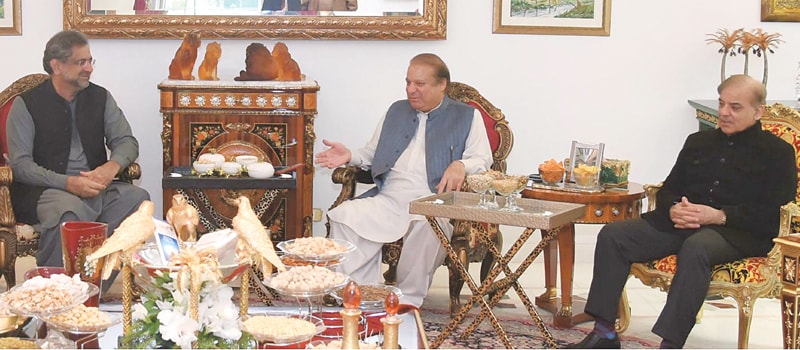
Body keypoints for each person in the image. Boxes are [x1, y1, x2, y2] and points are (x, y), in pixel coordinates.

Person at [569, 74, 797, 349]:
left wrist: (719, 215)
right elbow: (668, 189)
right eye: (722, 103)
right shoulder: (698, 141)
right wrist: (674, 207)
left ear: (757, 111)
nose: (724, 113)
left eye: (735, 107)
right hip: (682, 224)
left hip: (738, 232)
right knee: (614, 235)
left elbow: (773, 214)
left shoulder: (778, 153)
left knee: (698, 247)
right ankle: (605, 332)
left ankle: (670, 343)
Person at [315, 53, 493, 307]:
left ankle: (407, 301)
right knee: (345, 215)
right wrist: (350, 155)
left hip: (432, 200)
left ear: (442, 84)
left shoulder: (466, 116)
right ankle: (357, 295)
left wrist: (461, 165)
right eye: (408, 82)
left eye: (419, 84)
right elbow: (372, 153)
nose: (411, 90)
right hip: (389, 197)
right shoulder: (396, 110)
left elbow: (482, 159)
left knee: (427, 224)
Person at [6, 30, 150, 270]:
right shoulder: (26, 105)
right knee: (68, 213)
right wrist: (68, 183)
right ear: (57, 66)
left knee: (138, 200)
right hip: (47, 191)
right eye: (81, 62)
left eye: (90, 61)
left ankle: (97, 277)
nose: (89, 68)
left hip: (96, 188)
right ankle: (57, 286)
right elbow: (21, 166)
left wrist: (110, 167)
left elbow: (127, 141)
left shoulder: (101, 97)